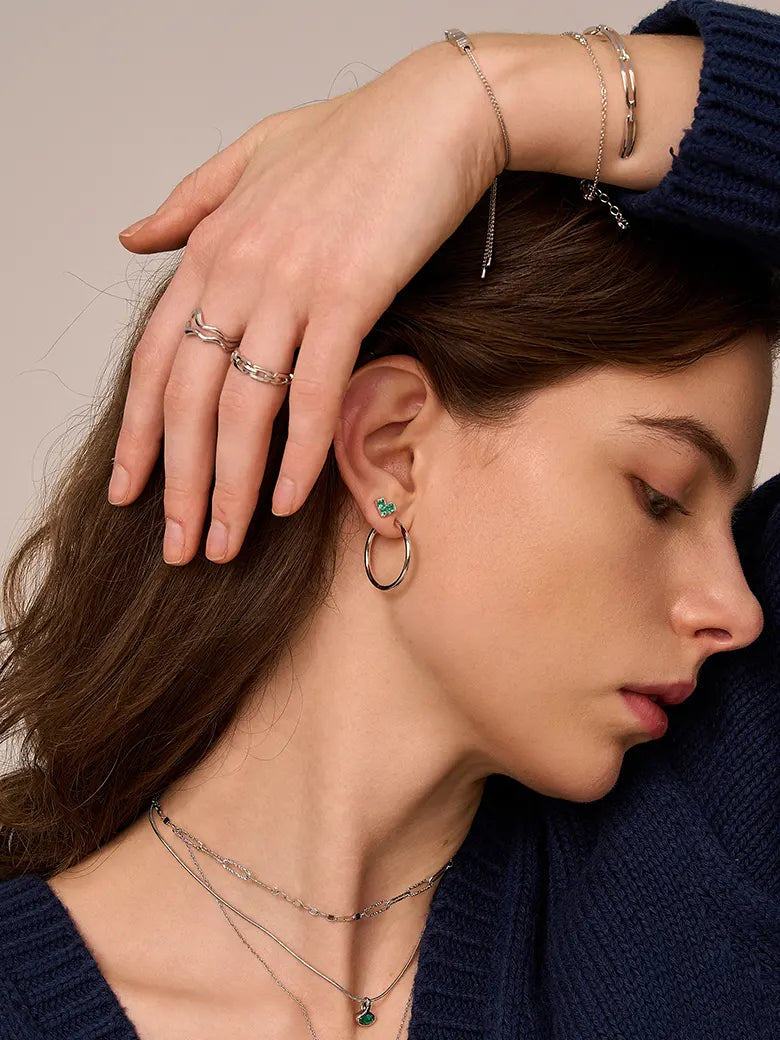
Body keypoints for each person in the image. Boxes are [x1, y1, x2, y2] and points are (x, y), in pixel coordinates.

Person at [1, 4, 779, 1040]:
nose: (737, 607)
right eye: (662, 495)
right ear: (391, 453)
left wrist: (480, 100)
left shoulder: (712, 841)